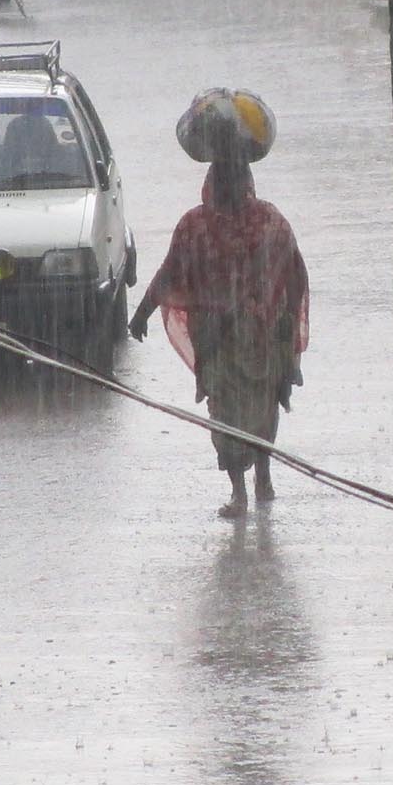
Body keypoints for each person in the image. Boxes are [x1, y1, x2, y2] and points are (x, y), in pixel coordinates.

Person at [133, 145, 309, 517]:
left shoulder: (202, 225)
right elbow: (295, 275)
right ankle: (256, 480)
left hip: (227, 339)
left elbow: (169, 274)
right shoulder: (264, 220)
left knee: (229, 414)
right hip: (245, 341)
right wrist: (288, 328)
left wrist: (142, 313)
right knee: (256, 410)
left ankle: (245, 488)